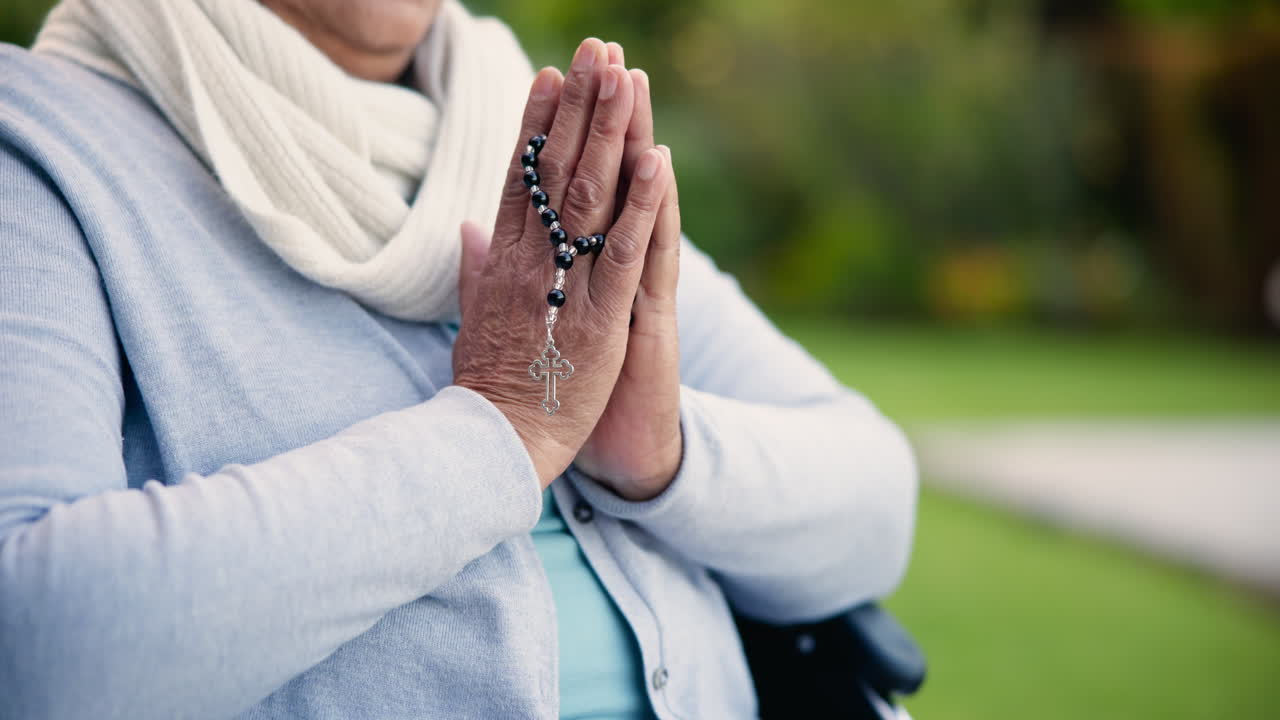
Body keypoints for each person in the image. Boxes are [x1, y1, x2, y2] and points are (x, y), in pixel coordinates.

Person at [0, 0, 918, 717]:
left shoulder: (533, 132)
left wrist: (660, 456)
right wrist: (506, 430)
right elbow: (33, 650)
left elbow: (875, 509)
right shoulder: (39, 144)